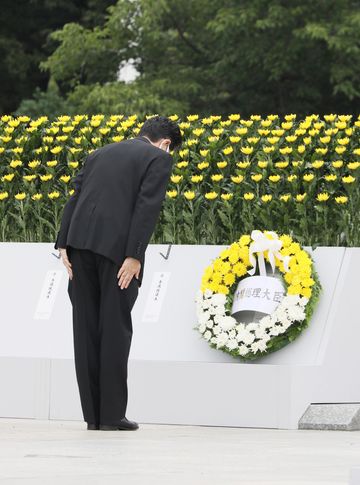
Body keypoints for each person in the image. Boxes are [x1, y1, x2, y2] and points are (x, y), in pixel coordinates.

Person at [54, 115, 182, 431]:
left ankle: (93, 417)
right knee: (114, 329)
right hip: (117, 255)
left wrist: (62, 244)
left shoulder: (99, 153)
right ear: (166, 144)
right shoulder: (157, 158)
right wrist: (134, 256)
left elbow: (75, 198)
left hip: (78, 247)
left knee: (85, 330)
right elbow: (146, 208)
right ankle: (111, 416)